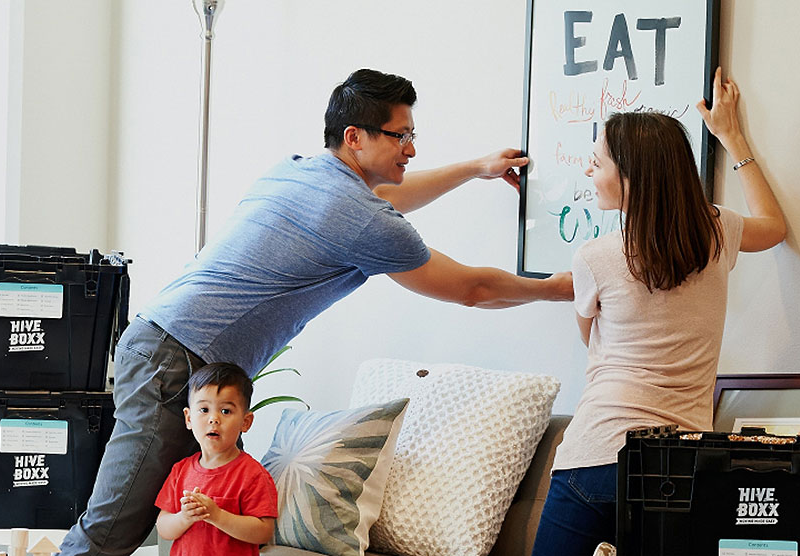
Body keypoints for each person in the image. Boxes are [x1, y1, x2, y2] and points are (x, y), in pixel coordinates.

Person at [59, 68, 574, 556]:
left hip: (158, 344)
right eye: (400, 137)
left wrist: (473, 169)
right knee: (112, 527)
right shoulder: (360, 217)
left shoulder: (299, 171)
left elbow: (389, 195)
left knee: (115, 518)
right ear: (355, 137)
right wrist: (558, 288)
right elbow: (473, 288)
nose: (411, 149)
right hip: (178, 363)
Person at [530, 68, 789, 556]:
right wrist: (733, 139)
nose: (589, 171)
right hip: (683, 465)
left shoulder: (595, 256)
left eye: (597, 162)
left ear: (630, 175)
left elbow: (593, 342)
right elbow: (774, 227)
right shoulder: (717, 231)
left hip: (596, 455)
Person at [154, 363, 278, 556]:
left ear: (245, 422)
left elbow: (263, 532)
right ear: (188, 418)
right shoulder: (181, 471)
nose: (214, 419)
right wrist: (185, 517)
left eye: (226, 411)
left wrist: (217, 515)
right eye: (204, 409)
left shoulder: (253, 474)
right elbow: (163, 527)